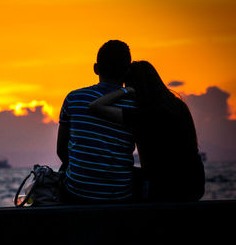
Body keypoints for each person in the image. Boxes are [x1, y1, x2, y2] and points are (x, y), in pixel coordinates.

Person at [89, 61, 205, 201]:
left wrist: (125, 91)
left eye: (127, 85)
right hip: (195, 184)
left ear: (135, 86)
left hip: (168, 188)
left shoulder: (146, 114)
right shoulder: (177, 105)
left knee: (113, 174)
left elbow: (96, 106)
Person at [57, 40, 137, 203]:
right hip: (121, 196)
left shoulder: (74, 98)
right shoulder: (135, 104)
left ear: (96, 68)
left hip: (78, 193)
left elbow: (61, 150)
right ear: (127, 72)